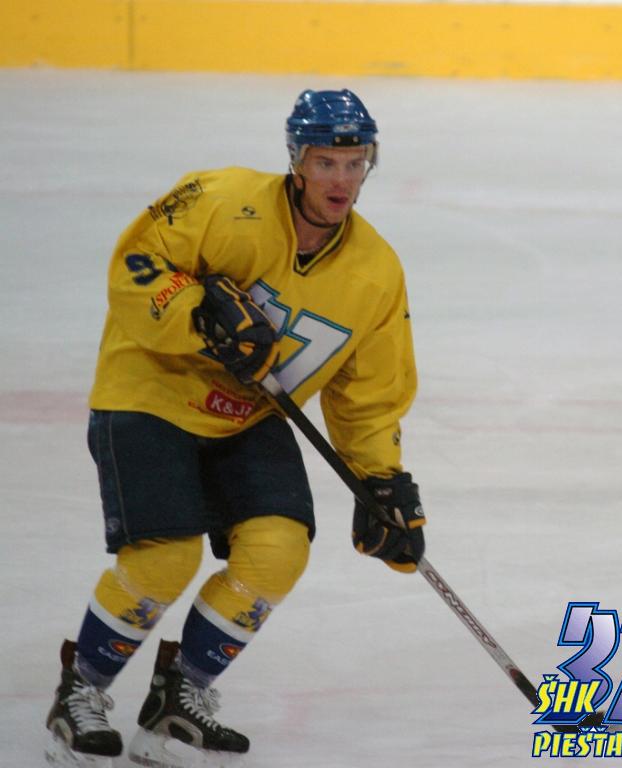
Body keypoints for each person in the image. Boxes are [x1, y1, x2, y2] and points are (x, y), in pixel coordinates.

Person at [45, 88, 426, 768]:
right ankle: (81, 693)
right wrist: (196, 313)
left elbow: (366, 393)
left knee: (278, 550)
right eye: (325, 162)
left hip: (250, 412)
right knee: (164, 558)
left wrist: (380, 481)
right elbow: (137, 264)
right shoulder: (221, 199)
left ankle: (178, 701)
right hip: (152, 391)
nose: (340, 180)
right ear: (296, 161)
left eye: (354, 163)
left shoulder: (375, 271)